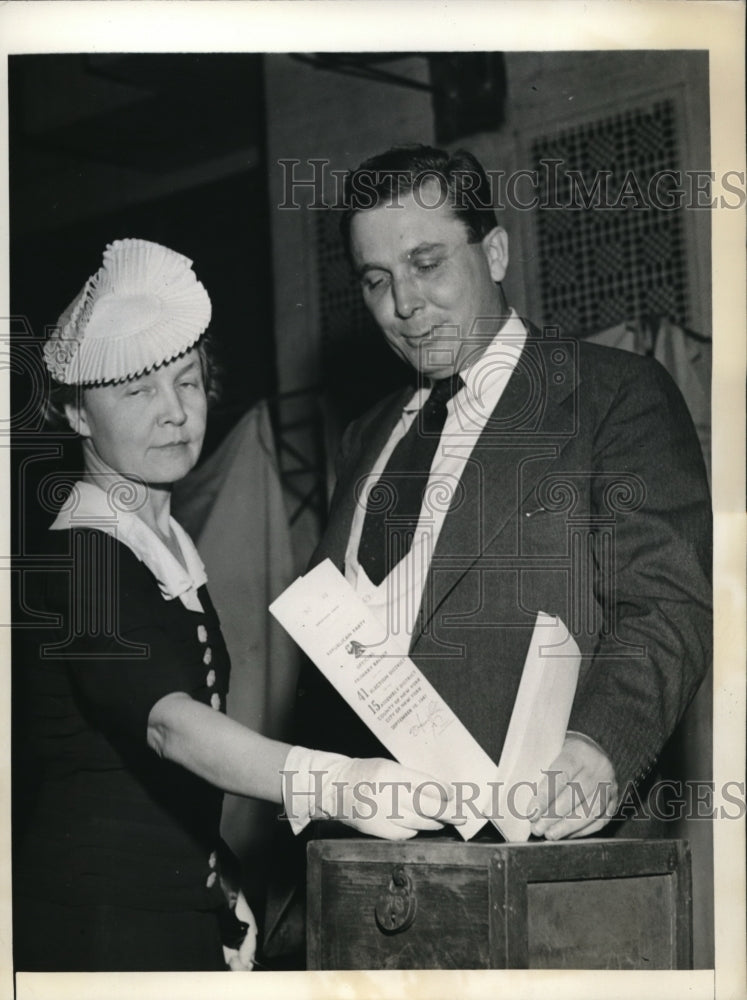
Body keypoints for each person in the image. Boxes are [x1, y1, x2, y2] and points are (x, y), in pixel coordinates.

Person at [12, 238, 463, 973]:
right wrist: (335, 782)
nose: (174, 413)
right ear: (77, 414)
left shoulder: (156, 534)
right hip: (96, 924)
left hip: (177, 902)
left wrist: (216, 877)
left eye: (186, 383)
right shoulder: (81, 553)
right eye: (136, 393)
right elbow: (168, 728)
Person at [296, 145, 712, 840]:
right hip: (362, 857)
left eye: (426, 265)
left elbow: (665, 605)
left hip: (538, 849)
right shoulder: (362, 437)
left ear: (493, 254)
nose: (403, 304)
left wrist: (598, 747)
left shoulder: (613, 395)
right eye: (376, 281)